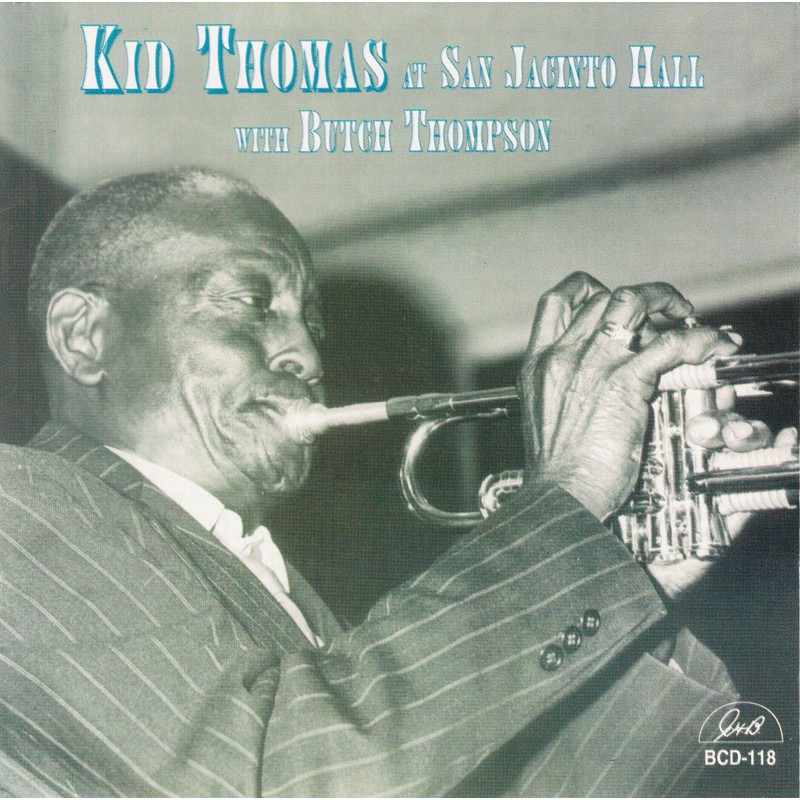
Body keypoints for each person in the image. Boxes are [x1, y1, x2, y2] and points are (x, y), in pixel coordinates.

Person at [0, 169, 790, 797]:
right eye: (252, 302)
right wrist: (568, 497)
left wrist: (619, 570)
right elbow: (286, 780)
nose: (307, 356)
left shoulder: (300, 611)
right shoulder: (16, 504)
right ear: (83, 336)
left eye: (311, 325)